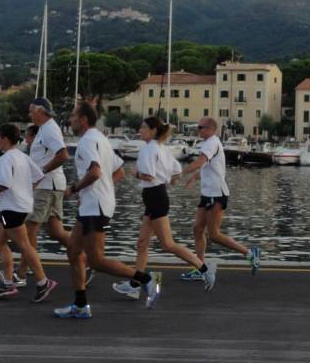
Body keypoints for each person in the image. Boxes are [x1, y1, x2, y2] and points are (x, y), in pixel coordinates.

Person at [54, 101, 161, 319]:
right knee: (73, 251)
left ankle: (146, 280)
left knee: (96, 260)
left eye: (74, 116)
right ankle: (81, 305)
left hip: (96, 206)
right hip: (94, 203)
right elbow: (119, 171)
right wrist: (98, 191)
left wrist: (73, 189)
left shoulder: (86, 142)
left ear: (83, 120)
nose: (70, 120)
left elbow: (94, 172)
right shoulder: (100, 138)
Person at [112, 117, 217, 298]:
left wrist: (136, 174)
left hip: (155, 197)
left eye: (144, 127)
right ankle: (135, 284)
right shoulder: (161, 148)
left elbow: (148, 175)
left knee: (168, 244)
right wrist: (167, 183)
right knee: (142, 243)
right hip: (157, 197)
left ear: (153, 131)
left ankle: (204, 269)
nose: (140, 129)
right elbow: (176, 172)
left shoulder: (148, 149)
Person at [0, 124, 59, 302]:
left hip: (11, 208)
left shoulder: (5, 159)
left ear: (5, 139)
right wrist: (25, 193)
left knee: (24, 245)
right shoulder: (23, 156)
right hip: (18, 207)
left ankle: (43, 283)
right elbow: (38, 176)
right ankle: (8, 283)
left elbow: (4, 184)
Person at [181, 117, 260, 281]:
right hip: (208, 194)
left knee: (214, 234)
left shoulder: (211, 143)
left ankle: (250, 253)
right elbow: (207, 167)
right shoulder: (209, 142)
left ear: (211, 129)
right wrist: (194, 178)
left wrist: (180, 173)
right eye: (198, 127)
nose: (199, 130)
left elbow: (200, 161)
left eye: (201, 127)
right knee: (197, 229)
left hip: (217, 194)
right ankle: (200, 268)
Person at [15, 98, 80, 286]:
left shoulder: (50, 129)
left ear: (40, 111)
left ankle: (22, 274)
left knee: (28, 231)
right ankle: (86, 259)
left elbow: (63, 155)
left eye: (31, 111)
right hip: (52, 186)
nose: (29, 115)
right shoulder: (45, 129)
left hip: (46, 186)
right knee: (56, 231)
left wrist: (40, 172)